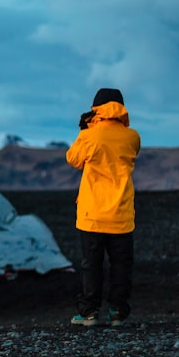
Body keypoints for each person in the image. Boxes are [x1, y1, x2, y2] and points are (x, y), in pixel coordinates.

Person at [65, 87, 141, 327]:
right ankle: (118, 312)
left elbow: (73, 159)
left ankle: (89, 313)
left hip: (92, 214)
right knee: (121, 265)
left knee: (92, 265)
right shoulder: (132, 137)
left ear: (96, 108)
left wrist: (85, 130)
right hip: (121, 212)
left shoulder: (90, 136)